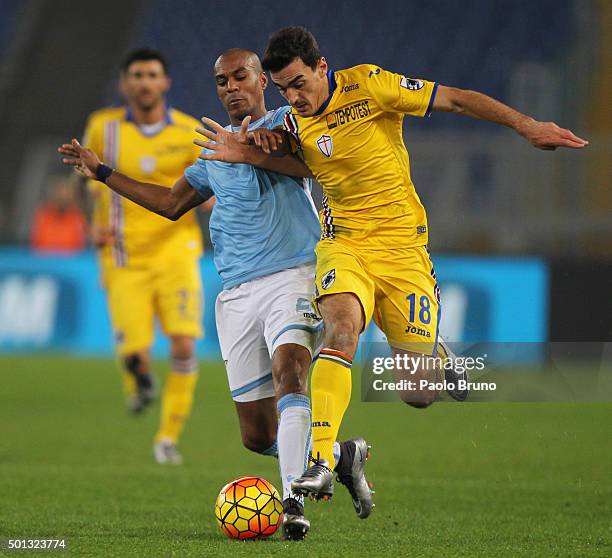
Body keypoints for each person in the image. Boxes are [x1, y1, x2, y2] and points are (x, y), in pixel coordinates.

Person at [196, 27, 589, 501]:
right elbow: (300, 164)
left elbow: (459, 100)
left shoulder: (372, 86)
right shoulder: (293, 125)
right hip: (344, 246)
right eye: (283, 89)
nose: (293, 97)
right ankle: (320, 460)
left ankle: (438, 355)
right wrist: (247, 152)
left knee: (418, 393)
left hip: (403, 251)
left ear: (323, 68)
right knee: (341, 330)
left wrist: (526, 126)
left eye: (300, 83)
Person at [59, 48, 373, 540]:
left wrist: (263, 145)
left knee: (291, 371)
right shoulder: (211, 152)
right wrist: (102, 172)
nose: (231, 86)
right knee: (256, 435)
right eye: (221, 80)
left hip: (294, 275)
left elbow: (310, 163)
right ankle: (340, 455)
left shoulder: (289, 123)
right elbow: (169, 203)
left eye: (241, 76)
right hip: (236, 293)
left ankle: (292, 503)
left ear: (262, 81)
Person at [81, 49, 209, 465]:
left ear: (165, 82)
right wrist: (92, 220)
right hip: (123, 255)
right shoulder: (104, 127)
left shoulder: (189, 131)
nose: (144, 82)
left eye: (152, 74)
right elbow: (89, 178)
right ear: (125, 84)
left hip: (176, 252)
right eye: (136, 75)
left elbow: (207, 189)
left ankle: (168, 436)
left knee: (185, 345)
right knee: (135, 354)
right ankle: (140, 381)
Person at [31, 175, 87, 253]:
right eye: (60, 193)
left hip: (71, 262)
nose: (63, 197)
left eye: (66, 194)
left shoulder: (77, 217)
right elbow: (37, 243)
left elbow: (80, 246)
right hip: (45, 262)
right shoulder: (44, 216)